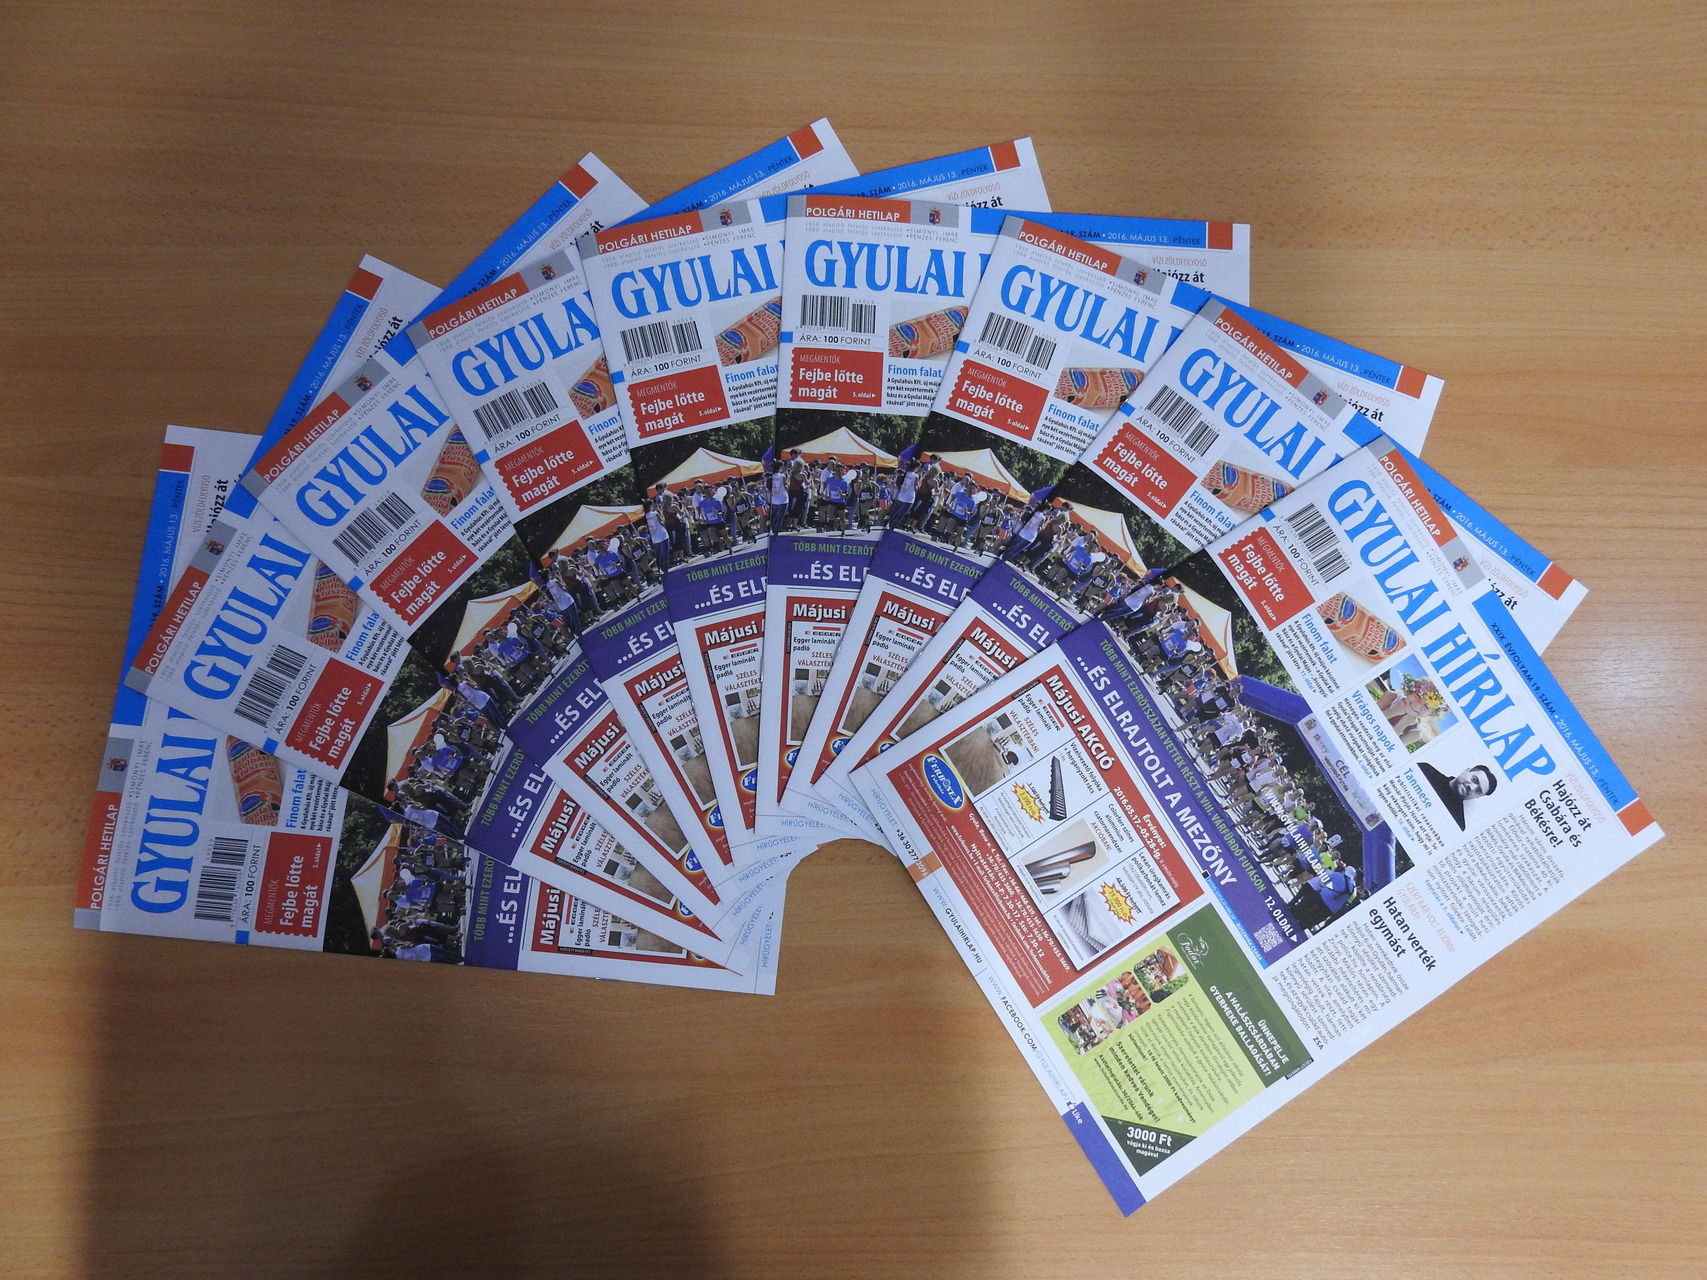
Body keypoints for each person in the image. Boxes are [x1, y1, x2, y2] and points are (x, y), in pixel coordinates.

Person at [1417, 761, 1498, 830]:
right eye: (1474, 779)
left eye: (1478, 791)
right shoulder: (1425, 770)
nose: (1472, 787)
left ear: (1477, 797)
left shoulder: (1457, 824)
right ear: (1466, 770)